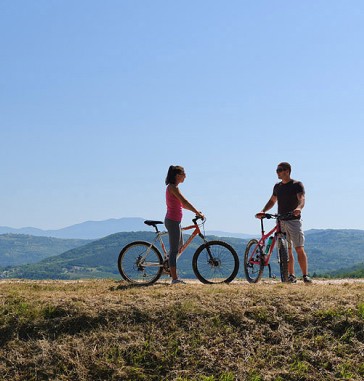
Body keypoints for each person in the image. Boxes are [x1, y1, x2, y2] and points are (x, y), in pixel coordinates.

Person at [256, 162, 312, 283]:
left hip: (294, 220)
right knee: (288, 250)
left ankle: (305, 276)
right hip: (281, 221)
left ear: (287, 171)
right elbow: (272, 201)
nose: (277, 172)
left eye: (280, 170)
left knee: (299, 248)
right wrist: (263, 211)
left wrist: (299, 208)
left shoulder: (297, 184)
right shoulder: (277, 187)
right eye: (277, 170)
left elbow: (301, 198)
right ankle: (291, 275)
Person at [165, 165, 204, 284]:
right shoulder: (173, 187)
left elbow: (183, 205)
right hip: (172, 221)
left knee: (179, 246)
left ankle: (167, 266)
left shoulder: (174, 187)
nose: (185, 176)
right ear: (178, 176)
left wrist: (196, 212)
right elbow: (185, 202)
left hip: (175, 221)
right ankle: (174, 279)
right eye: (184, 174)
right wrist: (197, 212)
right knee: (173, 250)